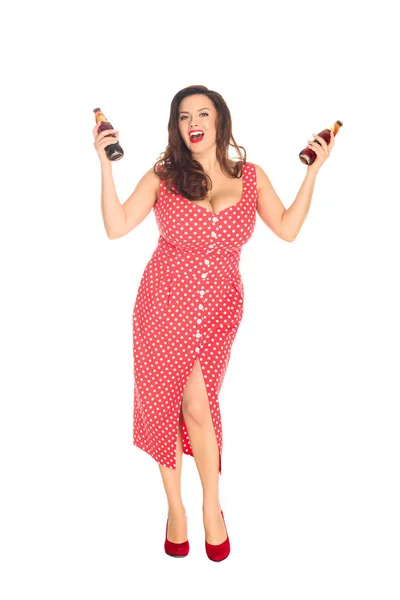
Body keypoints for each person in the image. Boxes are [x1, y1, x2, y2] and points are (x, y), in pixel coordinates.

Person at [92, 84, 335, 561]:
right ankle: (177, 510)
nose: (193, 122)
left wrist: (313, 174)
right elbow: (116, 225)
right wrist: (104, 164)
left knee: (200, 406)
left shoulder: (252, 176)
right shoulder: (164, 175)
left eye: (203, 113)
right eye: (184, 116)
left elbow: (286, 229)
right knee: (168, 403)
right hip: (163, 304)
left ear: (220, 120)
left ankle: (211, 507)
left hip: (220, 308)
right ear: (177, 127)